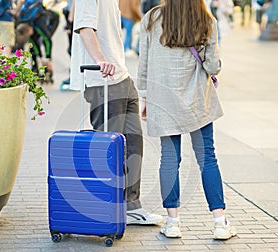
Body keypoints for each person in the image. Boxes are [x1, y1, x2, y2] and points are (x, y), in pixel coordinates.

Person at [137, 0, 237, 239]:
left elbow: (144, 63)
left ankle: (172, 223)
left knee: (170, 159)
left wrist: (144, 96)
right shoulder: (205, 19)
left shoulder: (151, 19)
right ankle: (220, 223)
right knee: (207, 158)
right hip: (196, 101)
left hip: (163, 99)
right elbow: (213, 65)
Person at [70, 0, 163, 226]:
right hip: (102, 80)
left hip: (121, 76)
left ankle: (131, 207)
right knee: (109, 151)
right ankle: (106, 209)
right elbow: (84, 28)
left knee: (133, 144)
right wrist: (101, 61)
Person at [15, 2, 59, 81]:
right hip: (34, 25)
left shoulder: (39, 25)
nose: (30, 36)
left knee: (45, 40)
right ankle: (37, 68)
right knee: (34, 42)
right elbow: (33, 44)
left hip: (53, 20)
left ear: (30, 29)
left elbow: (48, 40)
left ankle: (48, 68)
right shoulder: (24, 24)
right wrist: (40, 57)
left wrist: (48, 58)